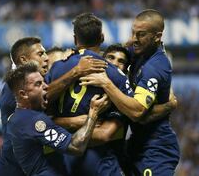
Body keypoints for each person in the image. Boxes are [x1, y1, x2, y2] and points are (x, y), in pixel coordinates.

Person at [81, 9, 180, 175]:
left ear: (157, 37)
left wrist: (107, 84)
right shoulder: (139, 50)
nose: (134, 39)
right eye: (133, 32)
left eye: (140, 34)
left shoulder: (154, 67)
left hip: (156, 148)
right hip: (135, 144)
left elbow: (136, 111)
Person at [0, 37, 106, 176]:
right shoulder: (13, 90)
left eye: (46, 54)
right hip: (15, 169)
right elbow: (40, 110)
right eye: (40, 54)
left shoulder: (36, 82)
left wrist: (65, 62)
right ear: (24, 60)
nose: (46, 58)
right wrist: (75, 70)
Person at [46, 12, 133, 175]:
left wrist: (62, 127)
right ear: (102, 37)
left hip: (64, 163)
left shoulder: (57, 68)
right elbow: (135, 110)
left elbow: (40, 109)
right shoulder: (117, 76)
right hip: (101, 166)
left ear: (74, 39)